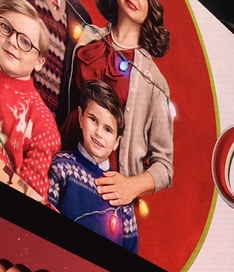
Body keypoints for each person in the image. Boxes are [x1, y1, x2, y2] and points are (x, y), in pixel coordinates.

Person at [62, 0, 173, 211]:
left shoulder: (154, 82)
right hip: (61, 168)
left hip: (104, 200)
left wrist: (130, 186)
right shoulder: (85, 38)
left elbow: (165, 167)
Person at [50, 80, 139, 252]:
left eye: (108, 129)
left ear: (116, 142)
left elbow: (131, 252)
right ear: (81, 118)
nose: (99, 132)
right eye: (93, 120)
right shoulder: (62, 167)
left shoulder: (121, 192)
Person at [0, 0, 60, 198]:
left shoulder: (43, 124)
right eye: (5, 27)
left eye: (25, 42)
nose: (12, 41)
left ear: (39, 62)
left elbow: (29, 200)